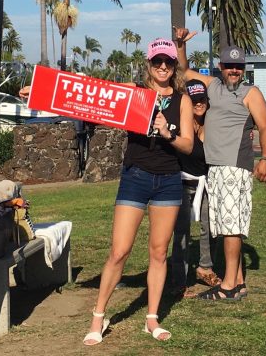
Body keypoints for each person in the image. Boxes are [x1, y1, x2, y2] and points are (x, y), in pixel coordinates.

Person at [83, 37, 195, 345]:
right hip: (136, 177)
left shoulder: (182, 100)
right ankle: (98, 317)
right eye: (158, 61)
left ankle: (151, 318)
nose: (163, 67)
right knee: (119, 251)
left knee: (159, 253)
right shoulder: (135, 94)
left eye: (168, 62)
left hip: (169, 180)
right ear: (149, 64)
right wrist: (38, 92)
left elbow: (187, 144)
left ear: (174, 66)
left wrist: (166, 132)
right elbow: (92, 101)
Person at [174, 28, 266, 302]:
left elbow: (264, 128)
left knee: (230, 226)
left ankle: (228, 286)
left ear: (243, 68)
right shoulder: (212, 86)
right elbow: (183, 70)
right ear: (220, 67)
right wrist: (180, 45)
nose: (234, 71)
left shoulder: (251, 93)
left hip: (234, 165)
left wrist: (265, 159)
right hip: (214, 166)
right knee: (225, 224)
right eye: (229, 66)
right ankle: (238, 281)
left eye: (238, 67)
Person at [166, 79, 220, 297]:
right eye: (194, 99)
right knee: (181, 231)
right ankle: (179, 279)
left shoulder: (213, 121)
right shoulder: (181, 122)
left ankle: (205, 267)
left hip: (207, 182)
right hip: (181, 182)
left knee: (211, 227)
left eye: (202, 99)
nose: (199, 103)